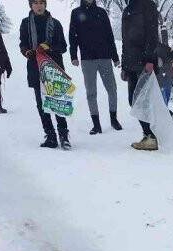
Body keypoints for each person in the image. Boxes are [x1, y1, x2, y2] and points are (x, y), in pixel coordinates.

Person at [19, 0, 71, 150]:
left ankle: (63, 135)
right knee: (41, 104)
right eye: (35, 3)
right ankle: (50, 136)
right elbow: (23, 44)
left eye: (41, 2)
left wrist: (49, 47)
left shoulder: (56, 23)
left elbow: (63, 47)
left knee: (57, 102)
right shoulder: (25, 23)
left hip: (54, 67)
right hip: (35, 67)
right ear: (31, 5)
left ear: (45, 5)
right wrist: (27, 51)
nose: (39, 6)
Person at [68, 0, 122, 135]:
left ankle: (114, 119)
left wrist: (115, 57)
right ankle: (96, 124)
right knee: (91, 93)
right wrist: (73, 55)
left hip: (105, 57)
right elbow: (72, 36)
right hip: (87, 59)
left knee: (112, 89)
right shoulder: (76, 13)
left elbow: (109, 35)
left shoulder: (101, 13)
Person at [120, 0, 161, 151]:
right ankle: (151, 134)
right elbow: (125, 41)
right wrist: (124, 66)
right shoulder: (127, 9)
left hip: (144, 63)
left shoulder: (147, 5)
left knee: (143, 100)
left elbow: (152, 35)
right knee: (134, 100)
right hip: (131, 64)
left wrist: (150, 60)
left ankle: (151, 136)